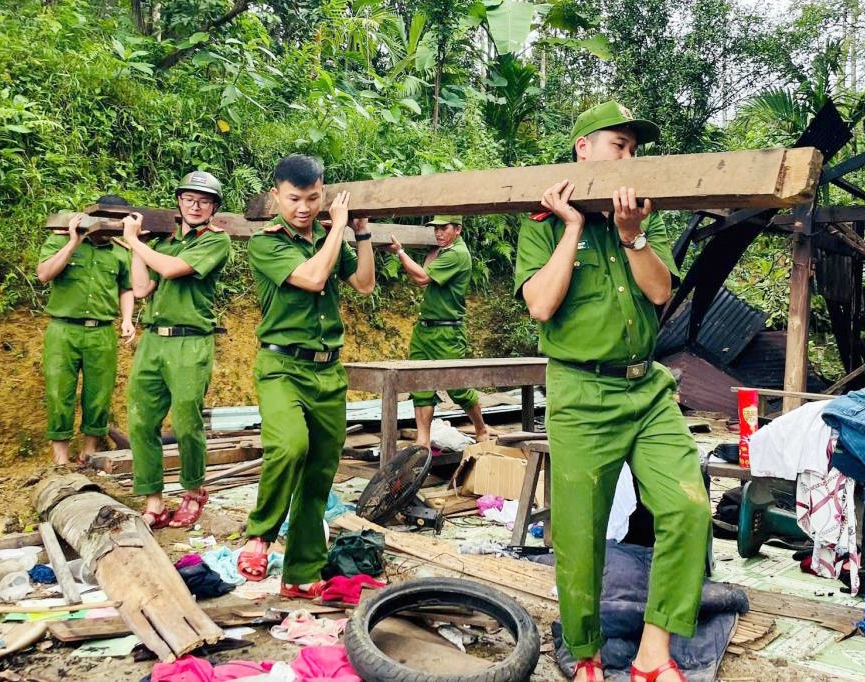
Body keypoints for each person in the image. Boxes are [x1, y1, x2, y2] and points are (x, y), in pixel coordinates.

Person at [514, 101, 710, 682]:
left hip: (646, 389)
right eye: (618, 146)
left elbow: (659, 296)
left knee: (687, 506)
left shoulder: (641, 218)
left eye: (634, 148)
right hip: (580, 392)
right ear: (584, 150)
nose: (630, 157)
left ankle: (654, 651)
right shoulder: (543, 223)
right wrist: (573, 228)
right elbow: (541, 305)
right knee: (579, 532)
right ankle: (587, 654)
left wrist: (634, 237)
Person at [237, 154, 375, 598]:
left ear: (323, 194)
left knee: (319, 474)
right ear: (276, 195)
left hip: (328, 370)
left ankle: (300, 573)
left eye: (314, 198)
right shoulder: (267, 242)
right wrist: (337, 227)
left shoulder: (330, 236)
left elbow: (365, 284)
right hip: (282, 366)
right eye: (295, 198)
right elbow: (315, 279)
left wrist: (362, 232)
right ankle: (260, 533)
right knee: (289, 445)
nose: (304, 208)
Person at [121, 172, 232, 529]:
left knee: (186, 422)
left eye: (204, 201)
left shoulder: (215, 242)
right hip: (154, 339)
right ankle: (153, 500)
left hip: (190, 341)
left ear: (213, 208)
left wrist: (133, 243)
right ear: (179, 203)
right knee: (141, 420)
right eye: (188, 199)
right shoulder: (164, 242)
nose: (195, 206)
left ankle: (193, 491)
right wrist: (138, 246)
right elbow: (140, 289)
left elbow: (171, 270)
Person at [37, 195, 136, 467]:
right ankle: (60, 456)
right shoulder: (61, 239)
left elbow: (126, 288)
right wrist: (72, 242)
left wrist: (127, 319)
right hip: (63, 329)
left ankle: (89, 451)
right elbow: (44, 274)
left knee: (99, 393)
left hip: (102, 331)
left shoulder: (120, 251)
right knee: (60, 391)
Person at [389, 215, 492, 447]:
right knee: (419, 384)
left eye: (443, 228)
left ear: (458, 229)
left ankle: (481, 429)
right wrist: (430, 251)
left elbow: (423, 277)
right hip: (424, 329)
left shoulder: (457, 254)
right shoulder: (443, 251)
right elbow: (424, 277)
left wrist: (399, 252)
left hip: (447, 332)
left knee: (457, 386)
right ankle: (423, 440)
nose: (438, 233)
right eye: (435, 229)